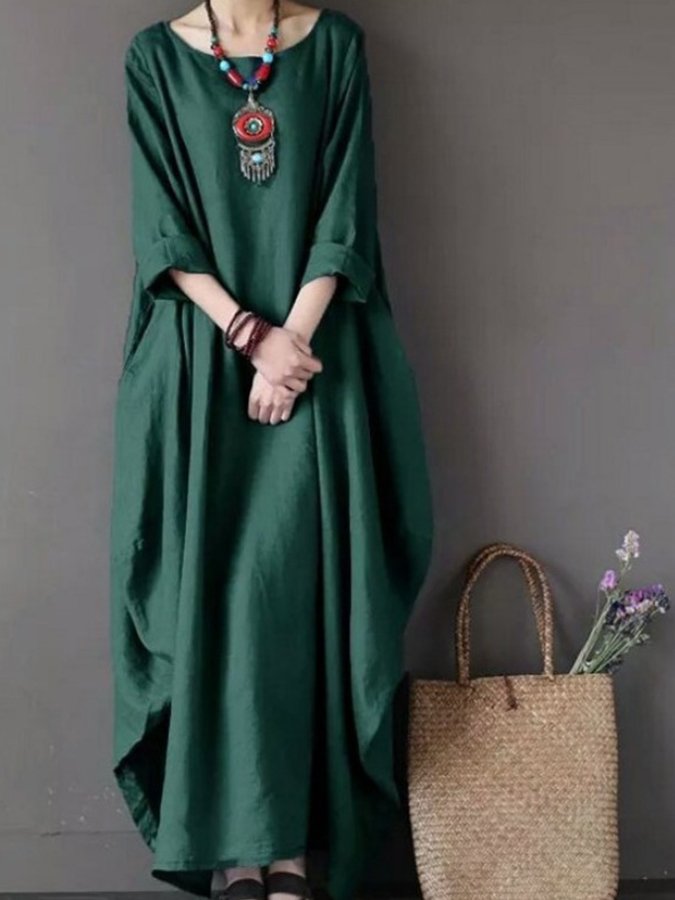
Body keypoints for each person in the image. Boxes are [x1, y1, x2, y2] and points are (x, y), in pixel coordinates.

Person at [108, 2, 434, 899]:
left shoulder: (335, 50)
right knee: (207, 597)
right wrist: (251, 336)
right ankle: (233, 850)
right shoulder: (154, 59)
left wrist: (291, 345)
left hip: (317, 357)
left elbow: (345, 209)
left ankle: (289, 848)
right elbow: (161, 228)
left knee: (294, 591)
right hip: (197, 363)